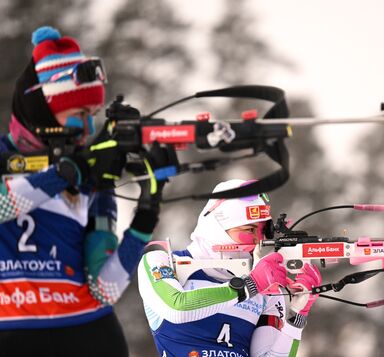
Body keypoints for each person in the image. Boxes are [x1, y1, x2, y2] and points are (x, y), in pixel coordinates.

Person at [0, 26, 166, 356]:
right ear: (42, 109)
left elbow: (105, 289)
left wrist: (145, 216)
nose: (88, 128)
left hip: (85, 330)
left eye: (92, 116)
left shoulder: (91, 176)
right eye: (78, 114)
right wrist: (66, 173)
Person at [138, 179, 322, 357]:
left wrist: (297, 317)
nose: (256, 241)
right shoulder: (160, 260)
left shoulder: (265, 289)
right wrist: (249, 286)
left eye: (262, 232)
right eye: (249, 230)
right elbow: (177, 307)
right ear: (217, 226)